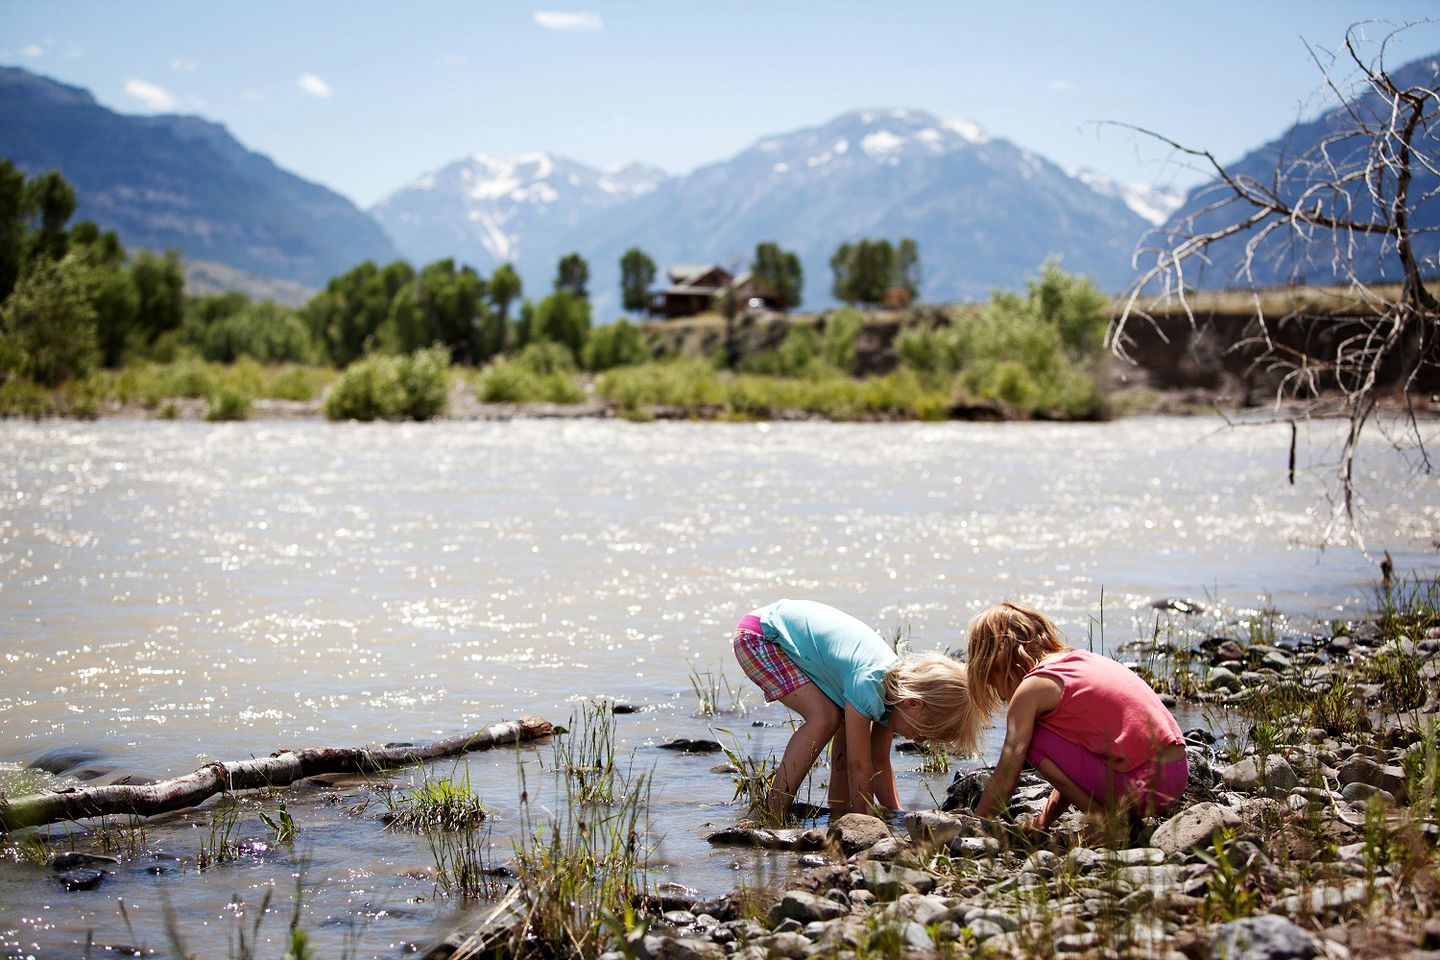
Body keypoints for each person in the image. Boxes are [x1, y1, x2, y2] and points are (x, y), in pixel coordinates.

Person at [733, 598, 979, 823]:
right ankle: (774, 810)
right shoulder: (869, 683)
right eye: (924, 732)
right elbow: (858, 764)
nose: (918, 740)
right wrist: (865, 822)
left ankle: (838, 810)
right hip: (761, 637)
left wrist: (895, 811)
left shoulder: (892, 699)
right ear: (913, 703)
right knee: (825, 718)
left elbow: (879, 759)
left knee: (842, 720)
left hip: (779, 634)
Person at [965, 601, 1188, 831]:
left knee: (1031, 739)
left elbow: (1006, 776)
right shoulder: (1082, 660)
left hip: (1141, 785)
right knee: (1044, 736)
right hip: (1176, 774)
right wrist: (1044, 821)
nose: (1001, 695)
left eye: (993, 683)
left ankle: (1108, 823)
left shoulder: (1030, 689)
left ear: (998, 661)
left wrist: (974, 825)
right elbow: (1073, 768)